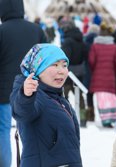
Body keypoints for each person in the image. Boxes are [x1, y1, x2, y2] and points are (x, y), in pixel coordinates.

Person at [10, 44, 82, 167]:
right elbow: (22, 112)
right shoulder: (35, 96)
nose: (61, 70)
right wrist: (26, 95)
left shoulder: (59, 98)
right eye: (55, 65)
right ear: (37, 69)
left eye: (64, 65)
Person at [0, 0, 46, 166]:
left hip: (4, 93)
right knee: (30, 130)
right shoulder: (36, 30)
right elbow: (46, 60)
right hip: (33, 89)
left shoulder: (1, 31)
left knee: (3, 131)